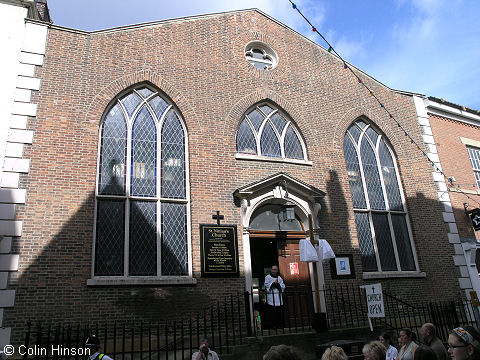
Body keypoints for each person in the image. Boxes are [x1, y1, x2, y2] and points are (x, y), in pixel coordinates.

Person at [264, 265, 285, 329]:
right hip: (271, 298)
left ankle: (279, 325)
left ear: (277, 270)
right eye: (272, 269)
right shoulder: (267, 277)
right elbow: (267, 285)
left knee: (279, 313)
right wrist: (273, 283)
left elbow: (283, 287)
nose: (273, 271)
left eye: (275, 269)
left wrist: (278, 284)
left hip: (278, 298)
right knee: (272, 313)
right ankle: (272, 325)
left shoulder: (279, 278)